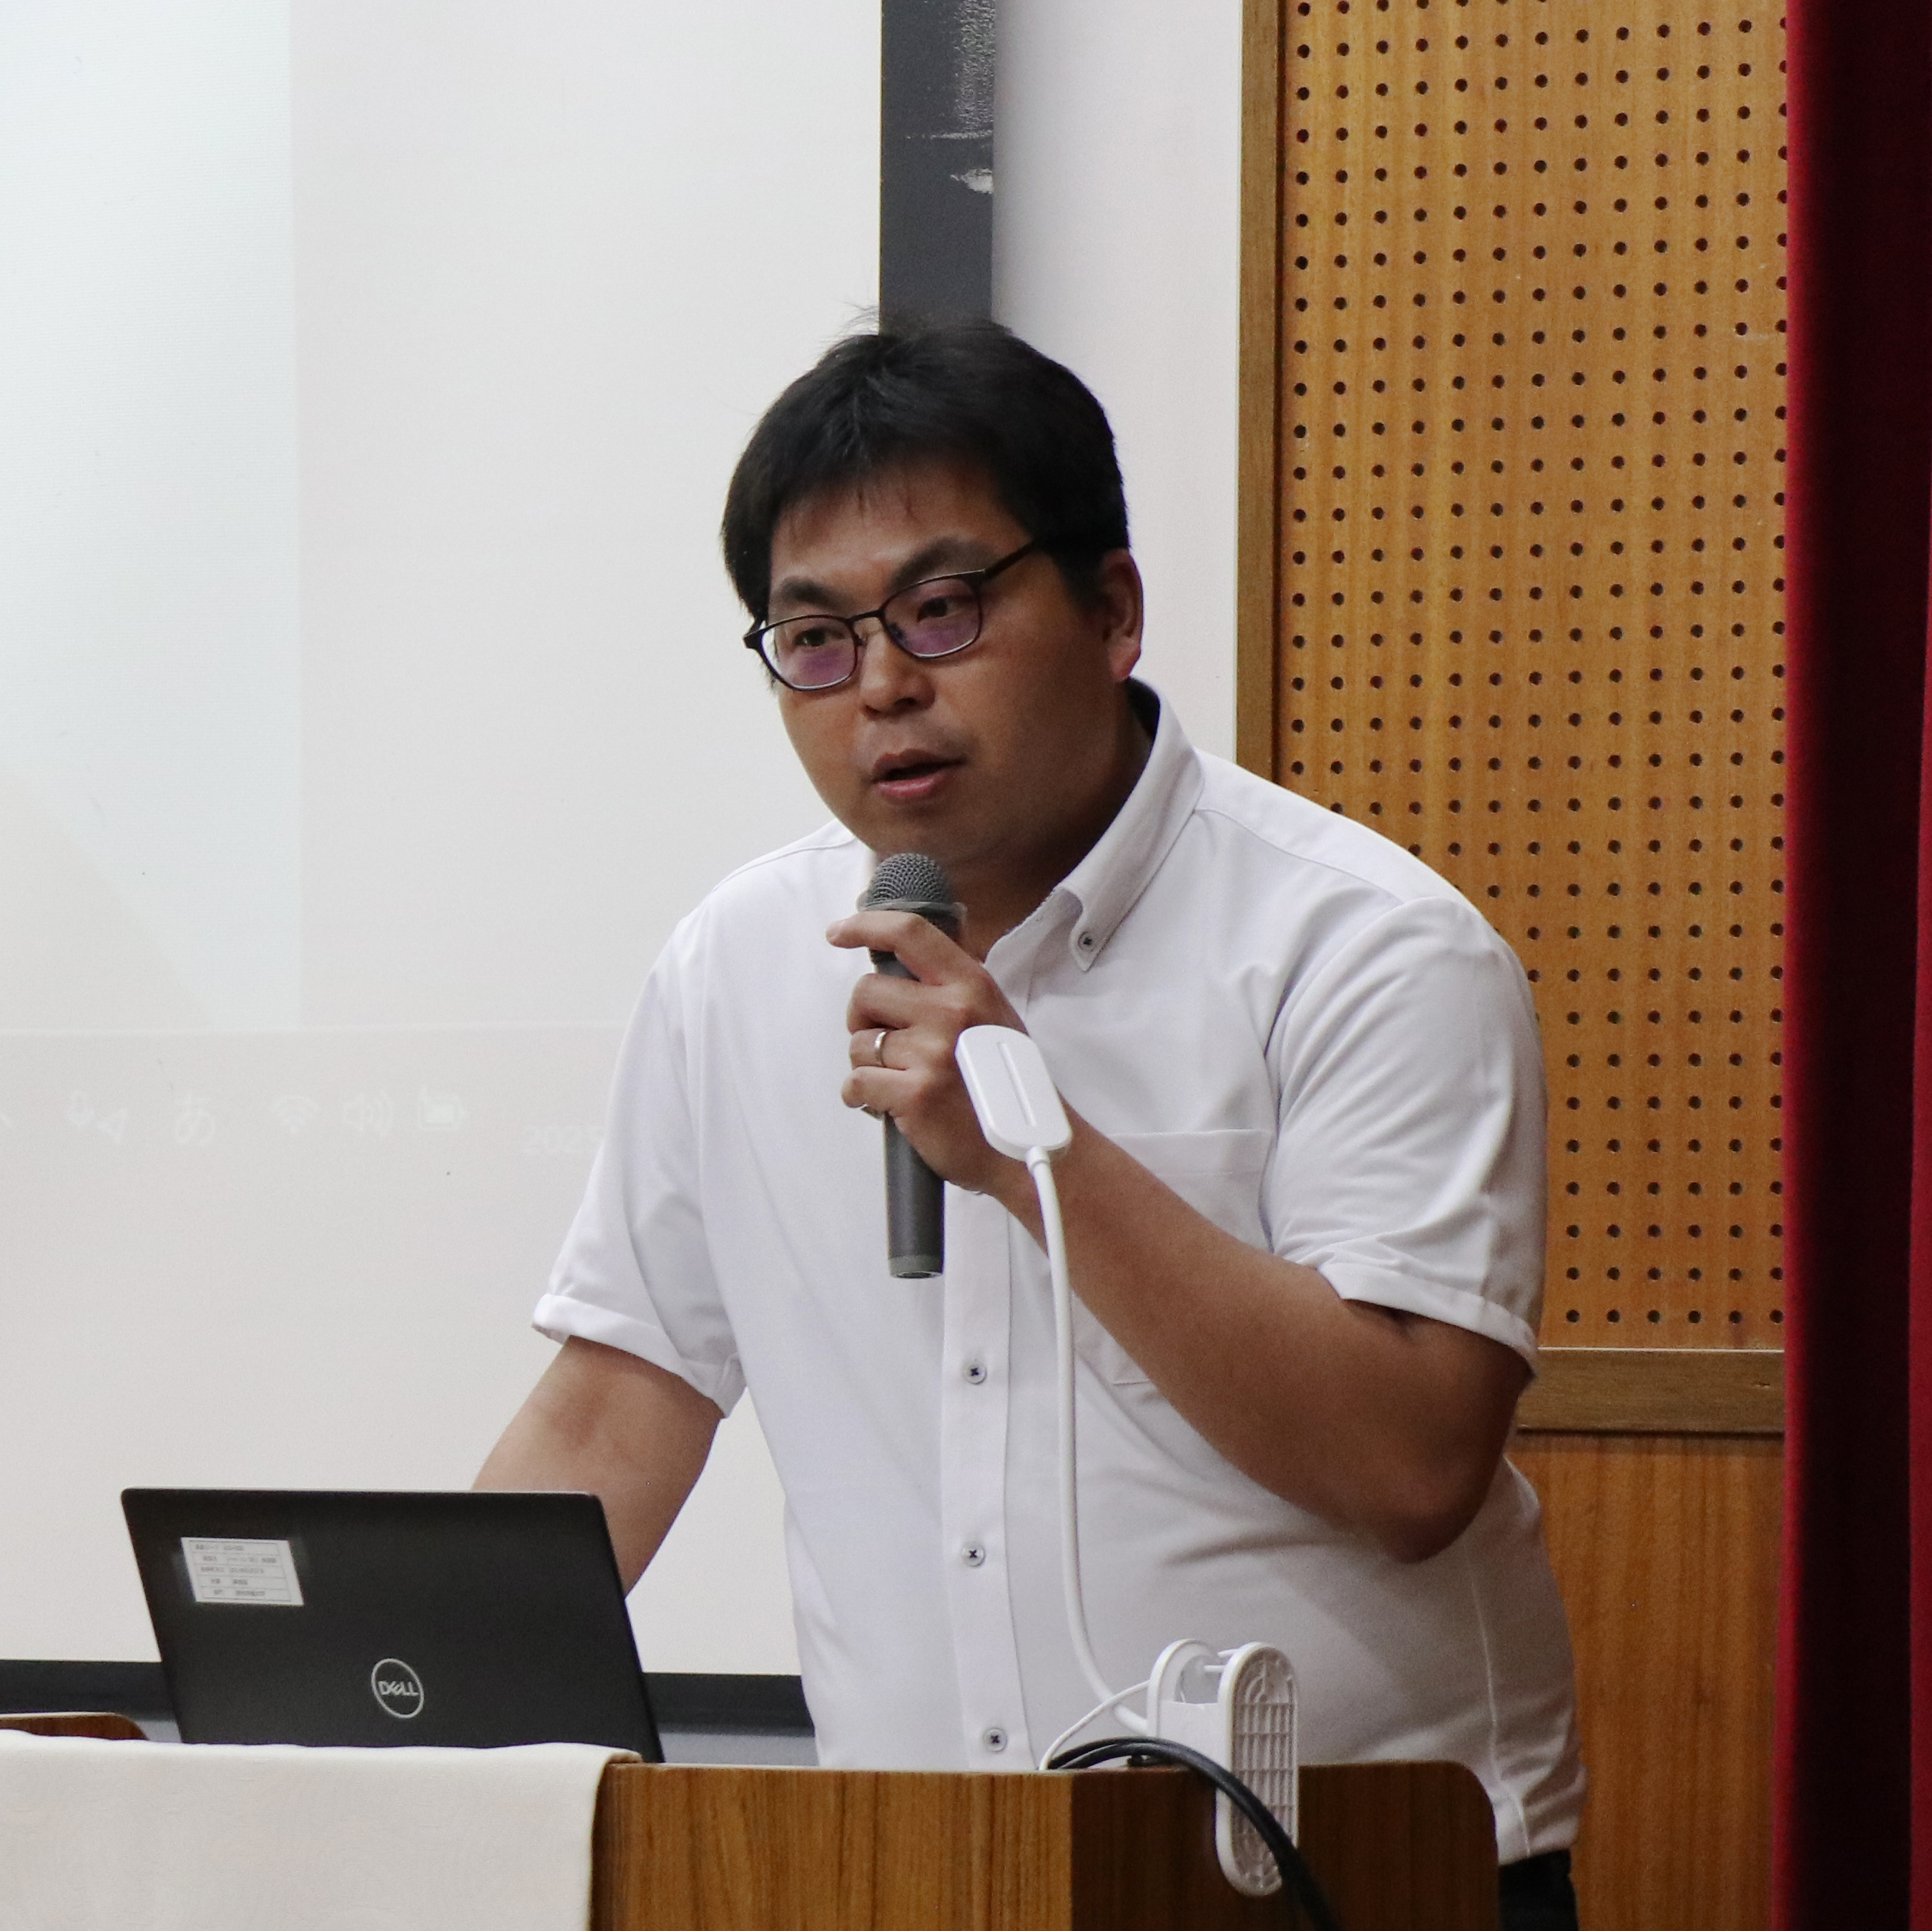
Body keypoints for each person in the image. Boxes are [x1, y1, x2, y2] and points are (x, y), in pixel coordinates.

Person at [477, 321, 1584, 1929]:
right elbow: (614, 1407)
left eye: (943, 608)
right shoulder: (737, 963)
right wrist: (388, 1728)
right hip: (922, 1879)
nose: (885, 686)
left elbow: (1412, 1463)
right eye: (816, 638)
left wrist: (1021, 1147)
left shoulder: (1364, 947)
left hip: (1336, 1885)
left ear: (1113, 610)